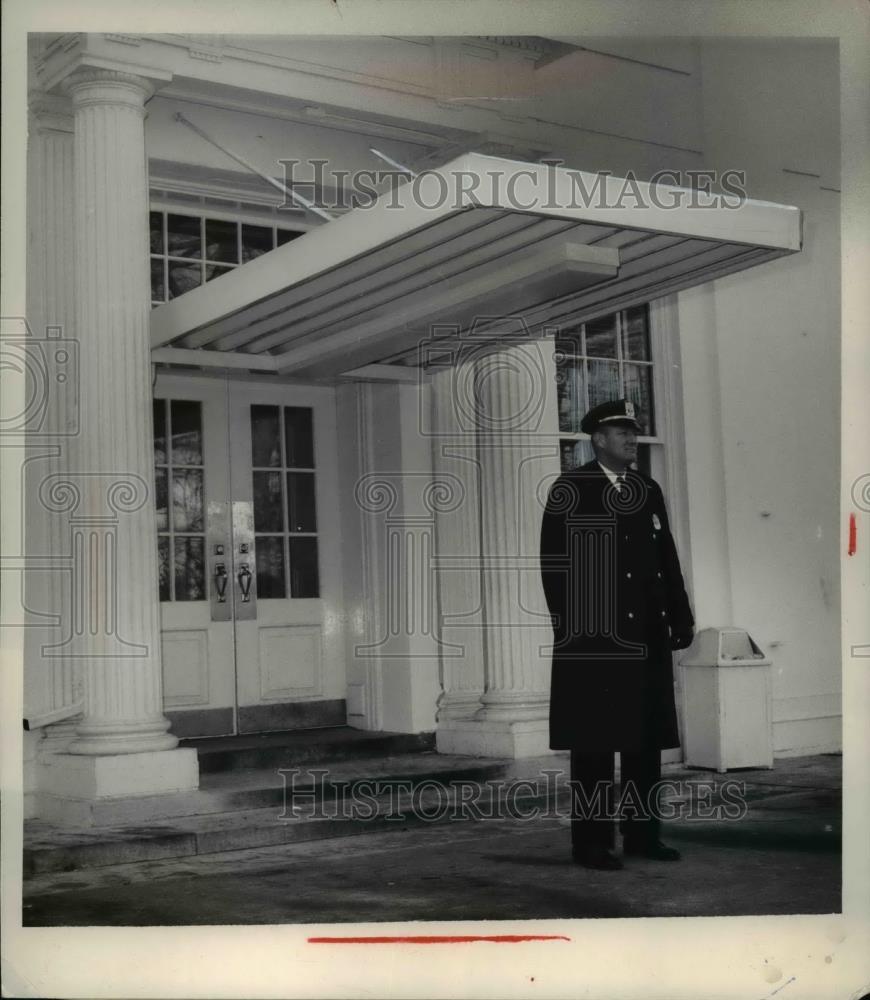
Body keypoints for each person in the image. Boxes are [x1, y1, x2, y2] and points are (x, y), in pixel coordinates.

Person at [540, 398, 695, 870]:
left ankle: (643, 835)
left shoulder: (646, 488)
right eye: (622, 432)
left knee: (643, 743)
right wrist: (574, 630)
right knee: (593, 745)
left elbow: (665, 556)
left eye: (633, 430)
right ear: (599, 439)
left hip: (646, 634)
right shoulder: (572, 489)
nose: (632, 438)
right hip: (595, 641)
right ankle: (591, 843)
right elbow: (555, 567)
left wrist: (681, 616)